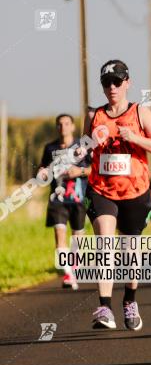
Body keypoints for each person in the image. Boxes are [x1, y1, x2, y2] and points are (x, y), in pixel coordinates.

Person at [85, 60, 151, 330]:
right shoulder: (93, 115)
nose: (112, 87)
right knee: (105, 243)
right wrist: (86, 146)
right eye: (106, 83)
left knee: (131, 250)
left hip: (135, 190)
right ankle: (105, 307)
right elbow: (82, 150)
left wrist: (134, 138)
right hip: (101, 189)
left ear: (127, 83)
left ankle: (130, 300)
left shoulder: (140, 112)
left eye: (117, 82)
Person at [38, 114, 90, 290]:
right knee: (59, 234)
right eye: (59, 124)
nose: (63, 127)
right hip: (57, 199)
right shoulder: (49, 148)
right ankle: (68, 274)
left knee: (77, 237)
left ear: (73, 127)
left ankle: (74, 270)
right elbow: (42, 169)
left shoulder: (82, 146)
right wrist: (42, 174)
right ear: (56, 127)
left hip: (79, 198)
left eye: (67, 124)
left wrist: (80, 171)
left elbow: (94, 169)